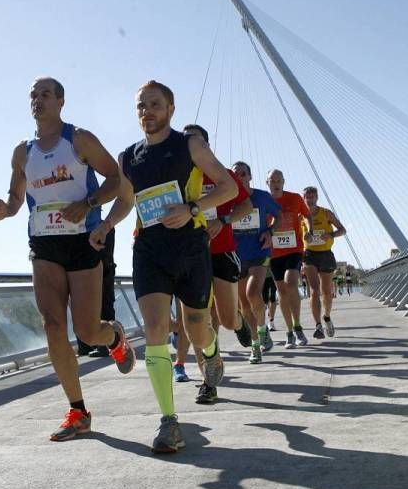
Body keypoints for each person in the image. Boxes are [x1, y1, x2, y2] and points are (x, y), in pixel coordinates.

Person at [90, 80, 237, 453]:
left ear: (171, 109)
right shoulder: (128, 157)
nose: (147, 112)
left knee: (196, 325)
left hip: (190, 247)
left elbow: (228, 188)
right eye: (141, 106)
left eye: (155, 105)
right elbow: (126, 200)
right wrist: (107, 225)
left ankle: (210, 351)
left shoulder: (190, 145)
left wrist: (190, 209)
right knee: (156, 328)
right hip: (150, 249)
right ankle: (169, 422)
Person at [0, 76, 135, 442]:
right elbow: (17, 198)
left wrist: (86, 204)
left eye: (45, 94)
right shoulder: (23, 152)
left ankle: (114, 336)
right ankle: (78, 410)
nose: (38, 100)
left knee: (87, 332)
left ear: (61, 101)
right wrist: (6, 210)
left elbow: (116, 179)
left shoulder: (79, 139)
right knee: (53, 325)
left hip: (82, 241)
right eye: (33, 95)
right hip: (44, 244)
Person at [181, 125, 253, 403]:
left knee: (224, 317)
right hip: (191, 253)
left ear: (206, 145)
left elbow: (245, 207)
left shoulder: (223, 173)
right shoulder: (180, 174)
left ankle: (239, 321)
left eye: (194, 140)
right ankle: (208, 382)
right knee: (202, 318)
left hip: (222, 251)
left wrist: (222, 221)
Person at [232, 161, 281, 364]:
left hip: (259, 252)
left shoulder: (261, 197)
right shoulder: (227, 198)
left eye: (244, 174)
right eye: (236, 175)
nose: (240, 177)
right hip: (236, 256)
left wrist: (270, 231)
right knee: (244, 304)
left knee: (253, 293)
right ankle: (255, 345)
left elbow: (278, 216)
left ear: (250, 177)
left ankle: (262, 330)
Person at [266, 169, 311, 349]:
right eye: (272, 180)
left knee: (290, 283)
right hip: (274, 253)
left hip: (294, 249)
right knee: (281, 293)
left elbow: (307, 215)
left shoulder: (294, 198)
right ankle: (289, 332)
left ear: (284, 182)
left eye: (279, 180)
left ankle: (298, 327)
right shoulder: (264, 200)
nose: (276, 183)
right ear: (267, 182)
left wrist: (309, 229)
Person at [301, 186, 347, 339]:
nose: (310, 199)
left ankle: (326, 317)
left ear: (317, 198)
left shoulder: (326, 213)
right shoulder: (300, 216)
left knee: (326, 292)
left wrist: (331, 234)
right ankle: (318, 326)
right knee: (314, 290)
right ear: (303, 198)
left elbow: (343, 230)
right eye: (307, 197)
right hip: (309, 255)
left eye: (312, 196)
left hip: (325, 254)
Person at [77, 228, 116, 357]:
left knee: (102, 299)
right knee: (95, 300)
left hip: (99, 255)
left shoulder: (102, 227)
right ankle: (87, 346)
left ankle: (106, 344)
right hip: (97, 252)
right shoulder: (104, 226)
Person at [262, 266, 278, 331]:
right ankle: (262, 324)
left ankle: (271, 322)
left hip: (273, 274)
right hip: (262, 275)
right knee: (264, 301)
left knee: (272, 297)